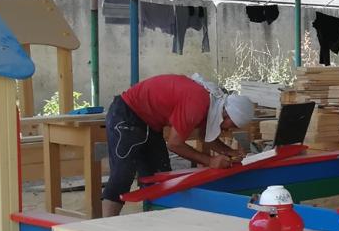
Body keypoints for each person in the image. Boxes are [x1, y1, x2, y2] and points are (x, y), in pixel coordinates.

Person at [101, 73, 254, 217]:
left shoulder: (212, 103)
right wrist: (210, 161)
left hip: (149, 123)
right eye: (232, 125)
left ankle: (153, 224)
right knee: (123, 174)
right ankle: (105, 227)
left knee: (159, 178)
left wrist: (228, 151)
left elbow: (204, 136)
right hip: (127, 113)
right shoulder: (197, 103)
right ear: (226, 114)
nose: (228, 130)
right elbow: (175, 144)